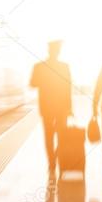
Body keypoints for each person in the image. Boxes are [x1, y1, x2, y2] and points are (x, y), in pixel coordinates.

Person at [30, 40, 72, 183]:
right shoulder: (64, 67)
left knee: (48, 136)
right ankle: (56, 160)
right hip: (61, 108)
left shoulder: (39, 66)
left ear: (49, 50)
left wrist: (43, 80)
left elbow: (32, 84)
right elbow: (68, 88)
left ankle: (52, 163)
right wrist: (69, 107)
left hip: (46, 107)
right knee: (62, 136)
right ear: (58, 51)